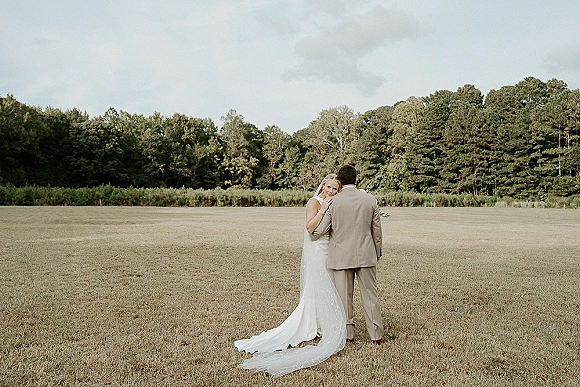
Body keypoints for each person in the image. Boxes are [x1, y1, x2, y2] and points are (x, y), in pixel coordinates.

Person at [234, 174, 346, 377]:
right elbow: (310, 227)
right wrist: (322, 210)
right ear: (323, 186)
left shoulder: (333, 202)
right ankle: (313, 324)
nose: (331, 191)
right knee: (320, 285)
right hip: (318, 250)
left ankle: (318, 322)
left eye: (335, 189)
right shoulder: (314, 202)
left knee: (323, 287)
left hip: (329, 248)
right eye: (329, 187)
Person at [313, 165, 384, 344]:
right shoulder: (370, 200)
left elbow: (319, 231)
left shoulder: (333, 202)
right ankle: (376, 335)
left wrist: (312, 229)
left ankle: (348, 334)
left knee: (344, 297)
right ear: (356, 179)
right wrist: (378, 252)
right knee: (370, 295)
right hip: (366, 253)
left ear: (340, 181)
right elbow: (377, 230)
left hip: (341, 256)